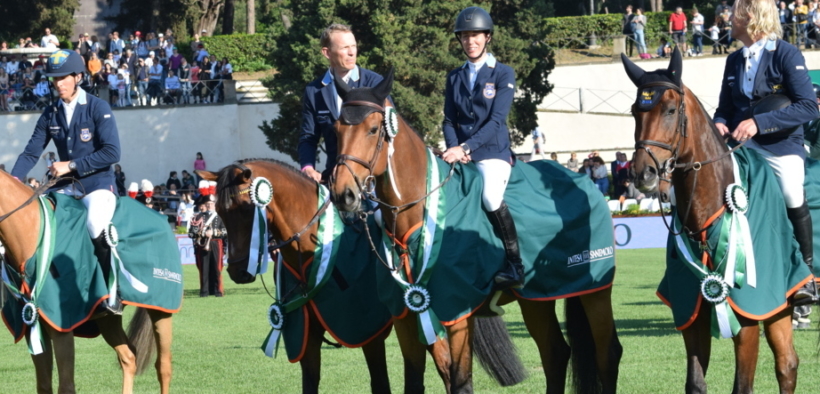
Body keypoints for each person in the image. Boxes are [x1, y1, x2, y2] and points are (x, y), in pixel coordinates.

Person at [713, 0, 819, 305]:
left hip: (781, 146)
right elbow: (725, 108)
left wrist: (759, 123)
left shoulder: (786, 53)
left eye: (734, 14)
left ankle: (806, 277)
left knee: (789, 191)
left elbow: (808, 106)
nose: (728, 19)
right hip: (741, 147)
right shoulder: (733, 60)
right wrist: (719, 123)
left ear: (751, 17)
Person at [11, 50, 122, 314]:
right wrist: (12, 182)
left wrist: (70, 165)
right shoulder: (50, 114)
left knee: (96, 225)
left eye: (63, 77)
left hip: (98, 185)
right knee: (41, 225)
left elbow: (112, 153)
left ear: (78, 77)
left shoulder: (98, 107)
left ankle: (112, 293)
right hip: (66, 187)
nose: (58, 83)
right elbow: (30, 153)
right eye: (54, 79)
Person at [441, 6, 523, 289]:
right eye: (464, 36)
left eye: (475, 35)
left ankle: (515, 264)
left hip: (492, 153)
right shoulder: (454, 77)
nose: (470, 41)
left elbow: (496, 120)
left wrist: (464, 147)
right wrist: (453, 148)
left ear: (487, 37)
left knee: (489, 197)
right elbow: (449, 119)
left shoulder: (503, 73)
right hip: (460, 155)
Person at [298, 23, 384, 183]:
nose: (352, 52)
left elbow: (390, 133)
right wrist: (308, 167)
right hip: (334, 179)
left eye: (354, 46)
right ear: (327, 53)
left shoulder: (374, 83)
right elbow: (308, 137)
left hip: (371, 181)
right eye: (345, 48)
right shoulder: (314, 90)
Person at [189, 194, 227, 297]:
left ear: (215, 204)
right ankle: (204, 291)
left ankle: (217, 290)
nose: (209, 205)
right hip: (203, 244)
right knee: (204, 268)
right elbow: (191, 233)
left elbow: (225, 231)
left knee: (217, 267)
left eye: (211, 203)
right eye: (207, 204)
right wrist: (203, 234)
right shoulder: (199, 216)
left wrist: (213, 232)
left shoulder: (220, 216)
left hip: (216, 243)